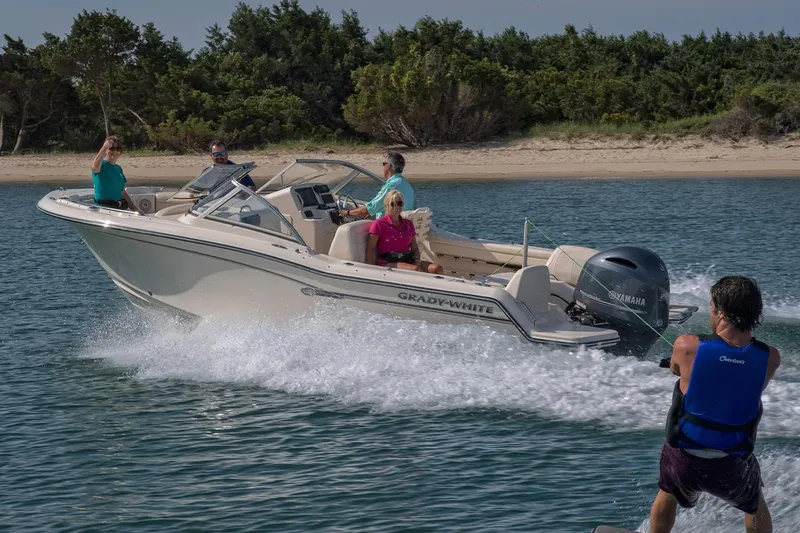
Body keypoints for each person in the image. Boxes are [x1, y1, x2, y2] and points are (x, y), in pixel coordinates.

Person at [648, 276, 781, 533]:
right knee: (754, 504)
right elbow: (743, 385)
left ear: (720, 312)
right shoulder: (770, 358)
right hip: (731, 462)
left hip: (684, 458)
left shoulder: (687, 345)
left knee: (667, 491)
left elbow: (676, 370)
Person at [365, 189, 444, 275]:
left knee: (437, 268)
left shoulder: (408, 224)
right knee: (415, 270)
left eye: (399, 203)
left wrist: (417, 261)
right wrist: (370, 269)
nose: (396, 207)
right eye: (392, 204)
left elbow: (414, 248)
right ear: (386, 205)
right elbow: (371, 248)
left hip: (407, 259)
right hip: (388, 262)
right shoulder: (379, 224)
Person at [341, 151, 415, 219]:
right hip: (403, 227)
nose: (383, 167)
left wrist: (346, 212)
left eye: (383, 164)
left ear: (388, 166)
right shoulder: (406, 184)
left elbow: (369, 209)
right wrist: (372, 212)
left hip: (390, 229)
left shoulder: (391, 185)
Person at [90, 136, 134, 210]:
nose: (115, 151)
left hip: (118, 208)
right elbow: (94, 168)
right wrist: (103, 148)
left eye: (118, 149)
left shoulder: (118, 168)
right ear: (106, 151)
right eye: (112, 148)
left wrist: (135, 210)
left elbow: (122, 192)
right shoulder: (101, 165)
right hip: (103, 209)